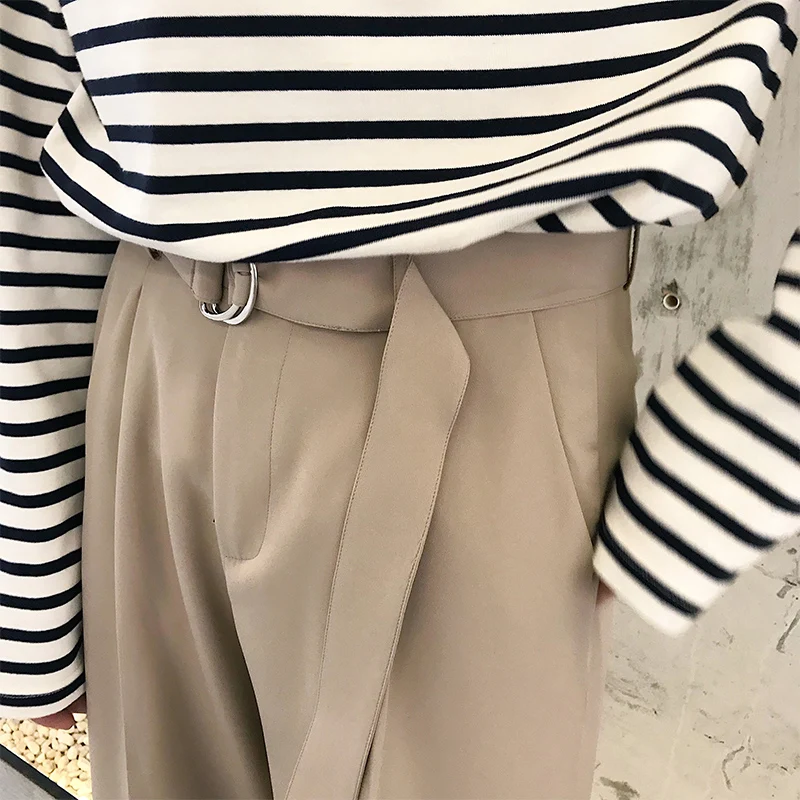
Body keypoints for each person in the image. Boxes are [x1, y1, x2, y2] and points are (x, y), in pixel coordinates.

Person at [1, 2, 797, 798]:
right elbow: (30, 61)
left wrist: (764, 420)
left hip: (484, 365)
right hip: (152, 335)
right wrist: (28, 557)